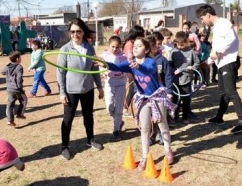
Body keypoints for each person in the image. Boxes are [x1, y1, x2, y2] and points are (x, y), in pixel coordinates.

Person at [103, 37, 176, 170]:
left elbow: (148, 69)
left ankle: (168, 150)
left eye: (139, 46)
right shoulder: (131, 63)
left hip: (156, 97)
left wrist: (139, 66)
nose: (135, 48)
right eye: (134, 46)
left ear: (147, 49)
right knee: (144, 128)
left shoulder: (150, 62)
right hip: (143, 99)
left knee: (162, 124)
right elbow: (117, 67)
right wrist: (105, 64)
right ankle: (145, 156)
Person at [196, 4, 242, 134]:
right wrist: (207, 62)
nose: (202, 21)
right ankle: (219, 117)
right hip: (221, 63)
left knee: (231, 91)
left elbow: (231, 39)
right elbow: (216, 49)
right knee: (223, 92)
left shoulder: (223, 22)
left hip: (229, 62)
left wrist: (218, 53)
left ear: (208, 15)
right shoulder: (216, 27)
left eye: (202, 18)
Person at [57, 18, 104, 160]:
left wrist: (100, 87)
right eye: (72, 32)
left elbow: (94, 68)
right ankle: (65, 146)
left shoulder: (89, 48)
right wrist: (62, 92)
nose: (75, 34)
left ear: (83, 32)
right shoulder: (65, 49)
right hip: (71, 90)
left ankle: (90, 139)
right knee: (68, 119)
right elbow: (60, 72)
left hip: (87, 89)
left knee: (88, 115)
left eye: (78, 31)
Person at [99, 35, 128, 141]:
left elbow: (126, 69)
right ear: (109, 45)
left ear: (120, 46)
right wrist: (103, 73)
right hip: (109, 83)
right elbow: (99, 66)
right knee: (109, 107)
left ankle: (116, 130)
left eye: (117, 47)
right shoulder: (104, 55)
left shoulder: (124, 56)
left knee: (119, 108)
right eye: (113, 47)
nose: (115, 49)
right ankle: (119, 121)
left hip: (121, 83)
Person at [170, 32, 200, 124]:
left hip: (186, 80)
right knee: (176, 100)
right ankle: (175, 117)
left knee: (186, 99)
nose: (180, 47)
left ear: (186, 42)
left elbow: (197, 62)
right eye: (178, 45)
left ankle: (185, 117)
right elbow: (169, 64)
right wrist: (174, 70)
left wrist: (192, 67)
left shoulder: (191, 52)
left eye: (182, 45)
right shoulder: (173, 52)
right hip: (176, 80)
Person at [122, 25, 145, 117]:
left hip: (133, 67)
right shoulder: (130, 44)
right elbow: (129, 58)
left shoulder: (131, 43)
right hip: (131, 68)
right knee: (132, 88)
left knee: (133, 89)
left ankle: (128, 107)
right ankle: (125, 108)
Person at [1, 51, 28, 126]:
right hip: (17, 89)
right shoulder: (19, 67)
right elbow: (19, 78)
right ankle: (20, 114)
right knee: (24, 100)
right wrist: (20, 87)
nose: (21, 58)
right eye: (20, 57)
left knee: (10, 104)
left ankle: (10, 121)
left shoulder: (8, 66)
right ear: (17, 59)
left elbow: (2, 72)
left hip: (9, 89)